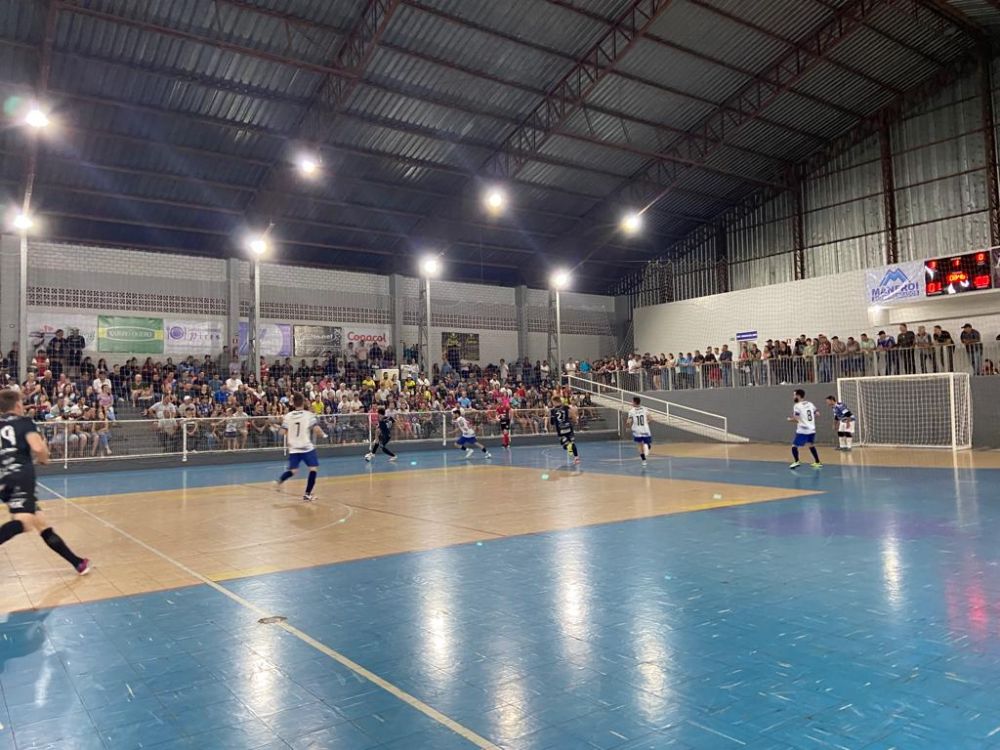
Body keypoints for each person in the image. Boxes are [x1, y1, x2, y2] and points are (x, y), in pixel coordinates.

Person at [0, 389, 90, 575]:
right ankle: (77, 563)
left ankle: (78, 563)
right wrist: (44, 458)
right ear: (18, 405)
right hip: (20, 475)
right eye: (22, 403)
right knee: (24, 522)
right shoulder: (25, 422)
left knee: (41, 524)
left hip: (4, 477)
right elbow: (38, 448)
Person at [274, 393, 327, 502]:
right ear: (303, 402)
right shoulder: (309, 415)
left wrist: (283, 430)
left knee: (293, 471)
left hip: (294, 448)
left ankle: (279, 481)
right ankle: (307, 494)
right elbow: (316, 429)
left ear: (293, 403)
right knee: (313, 469)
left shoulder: (288, 416)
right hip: (306, 447)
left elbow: (282, 432)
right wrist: (324, 435)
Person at [787, 388, 821, 470]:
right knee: (810, 445)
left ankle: (797, 461)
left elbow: (796, 418)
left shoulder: (797, 406)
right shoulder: (810, 403)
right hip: (812, 429)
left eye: (794, 395)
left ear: (798, 396)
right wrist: (809, 420)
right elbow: (817, 414)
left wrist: (790, 419)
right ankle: (817, 462)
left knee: (794, 446)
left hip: (803, 430)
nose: (793, 397)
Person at [550, 394, 580, 465]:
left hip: (560, 430)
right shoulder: (566, 407)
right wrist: (575, 420)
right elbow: (572, 414)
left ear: (554, 401)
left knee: (564, 446)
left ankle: (568, 446)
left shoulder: (553, 410)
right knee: (572, 442)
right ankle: (577, 459)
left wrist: (551, 425)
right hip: (568, 427)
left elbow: (551, 422)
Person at [627, 396, 652, 466]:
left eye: (632, 401)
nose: (631, 403)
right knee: (647, 443)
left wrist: (628, 425)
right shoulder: (644, 409)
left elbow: (629, 421)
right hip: (645, 429)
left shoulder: (631, 411)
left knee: (639, 445)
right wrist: (646, 422)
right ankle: (647, 445)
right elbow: (650, 419)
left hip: (636, 430)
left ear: (635, 402)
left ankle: (644, 460)